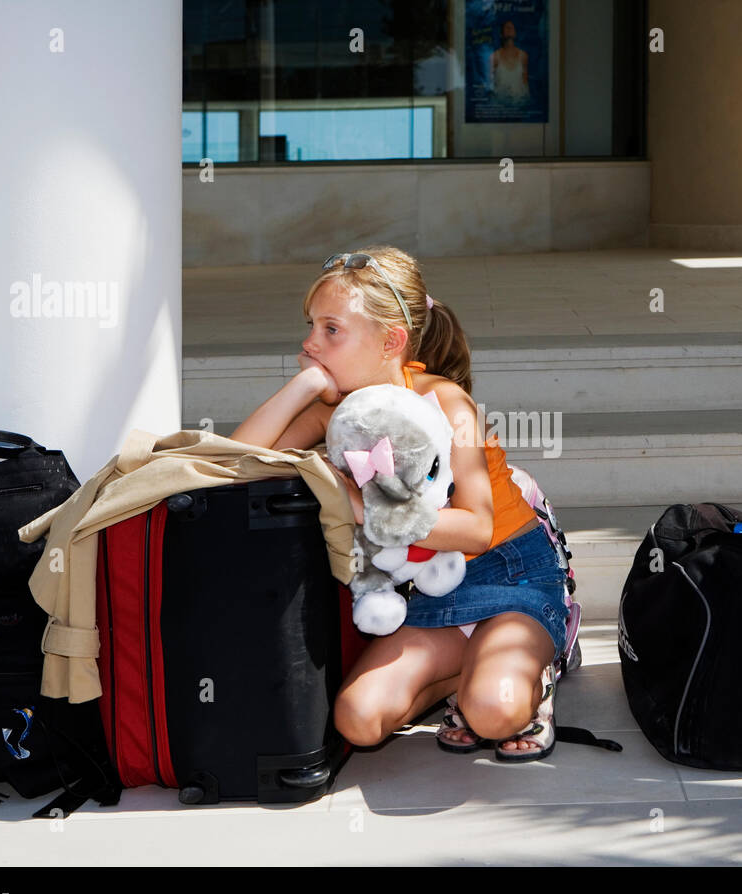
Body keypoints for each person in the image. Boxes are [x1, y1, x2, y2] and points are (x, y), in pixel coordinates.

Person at [230, 246, 568, 761]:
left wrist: (370, 510)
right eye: (311, 327)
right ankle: (465, 681)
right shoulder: (334, 409)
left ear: (391, 341)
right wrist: (305, 385)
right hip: (428, 589)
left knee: (494, 712)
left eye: (331, 330)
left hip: (510, 570)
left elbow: (476, 528)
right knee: (358, 720)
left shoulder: (446, 402)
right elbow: (240, 461)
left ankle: (539, 667)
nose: (309, 342)